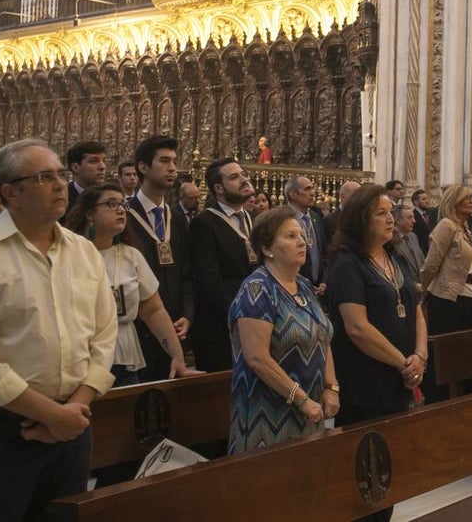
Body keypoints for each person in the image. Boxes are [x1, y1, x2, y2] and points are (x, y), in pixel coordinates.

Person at [0, 139, 117, 521]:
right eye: (44, 177)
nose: (60, 185)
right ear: (10, 193)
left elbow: (104, 337)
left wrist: (72, 409)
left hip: (74, 420)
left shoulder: (84, 252)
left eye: (60, 175)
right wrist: (52, 416)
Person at [326, 184, 426, 522]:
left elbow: (416, 309)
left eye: (390, 212)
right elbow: (356, 327)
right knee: (363, 471)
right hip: (364, 381)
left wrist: (420, 357)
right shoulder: (347, 265)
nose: (390, 219)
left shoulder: (393, 258)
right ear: (360, 219)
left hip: (398, 379)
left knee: (388, 469)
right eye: (380, 213)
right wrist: (403, 362)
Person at [65, 183, 198, 387]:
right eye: (111, 204)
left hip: (123, 361)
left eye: (123, 204)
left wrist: (177, 356)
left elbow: (153, 311)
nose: (120, 210)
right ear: (89, 214)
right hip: (79, 358)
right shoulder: (68, 255)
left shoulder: (130, 255)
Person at [229, 205, 337, 454]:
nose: (301, 242)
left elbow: (322, 336)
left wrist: (332, 387)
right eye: (290, 236)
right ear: (267, 249)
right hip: (267, 412)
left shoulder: (304, 285)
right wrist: (300, 398)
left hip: (310, 408)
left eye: (301, 235)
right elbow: (257, 358)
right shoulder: (257, 289)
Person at [125, 136, 194, 381]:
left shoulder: (176, 218)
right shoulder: (125, 217)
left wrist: (187, 314)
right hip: (138, 328)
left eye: (174, 161)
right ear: (143, 167)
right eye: (164, 161)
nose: (172, 168)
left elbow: (187, 273)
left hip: (174, 326)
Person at [189, 158, 257, 372]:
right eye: (235, 177)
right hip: (221, 327)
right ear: (219, 188)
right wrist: (237, 316)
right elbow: (209, 282)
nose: (244, 180)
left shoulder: (252, 218)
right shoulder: (204, 224)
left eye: (243, 174)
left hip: (256, 319)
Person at [419, 185, 472, 401]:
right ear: (453, 202)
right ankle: (440, 398)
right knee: (445, 353)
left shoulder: (464, 228)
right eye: (466, 198)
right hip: (449, 297)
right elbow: (431, 264)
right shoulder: (446, 225)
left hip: (470, 295)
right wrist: (424, 289)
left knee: (466, 352)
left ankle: (463, 396)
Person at [285, 175, 326, 294]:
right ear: (293, 194)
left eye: (312, 188)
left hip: (318, 289)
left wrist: (324, 280)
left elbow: (324, 253)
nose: (312, 193)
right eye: (307, 189)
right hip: (292, 287)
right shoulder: (283, 218)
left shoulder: (316, 217)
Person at [64, 140, 107, 214]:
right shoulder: (63, 198)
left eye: (104, 161)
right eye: (94, 161)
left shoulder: (110, 196)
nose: (102, 167)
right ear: (75, 167)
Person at [390, 203, 423, 286]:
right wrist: (414, 285)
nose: (414, 221)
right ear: (397, 220)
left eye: (413, 217)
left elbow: (421, 260)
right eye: (409, 218)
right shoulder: (391, 241)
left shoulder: (413, 237)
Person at [410, 188, 437, 255]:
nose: (427, 201)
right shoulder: (413, 217)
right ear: (416, 202)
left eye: (427, 198)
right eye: (423, 199)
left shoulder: (430, 214)